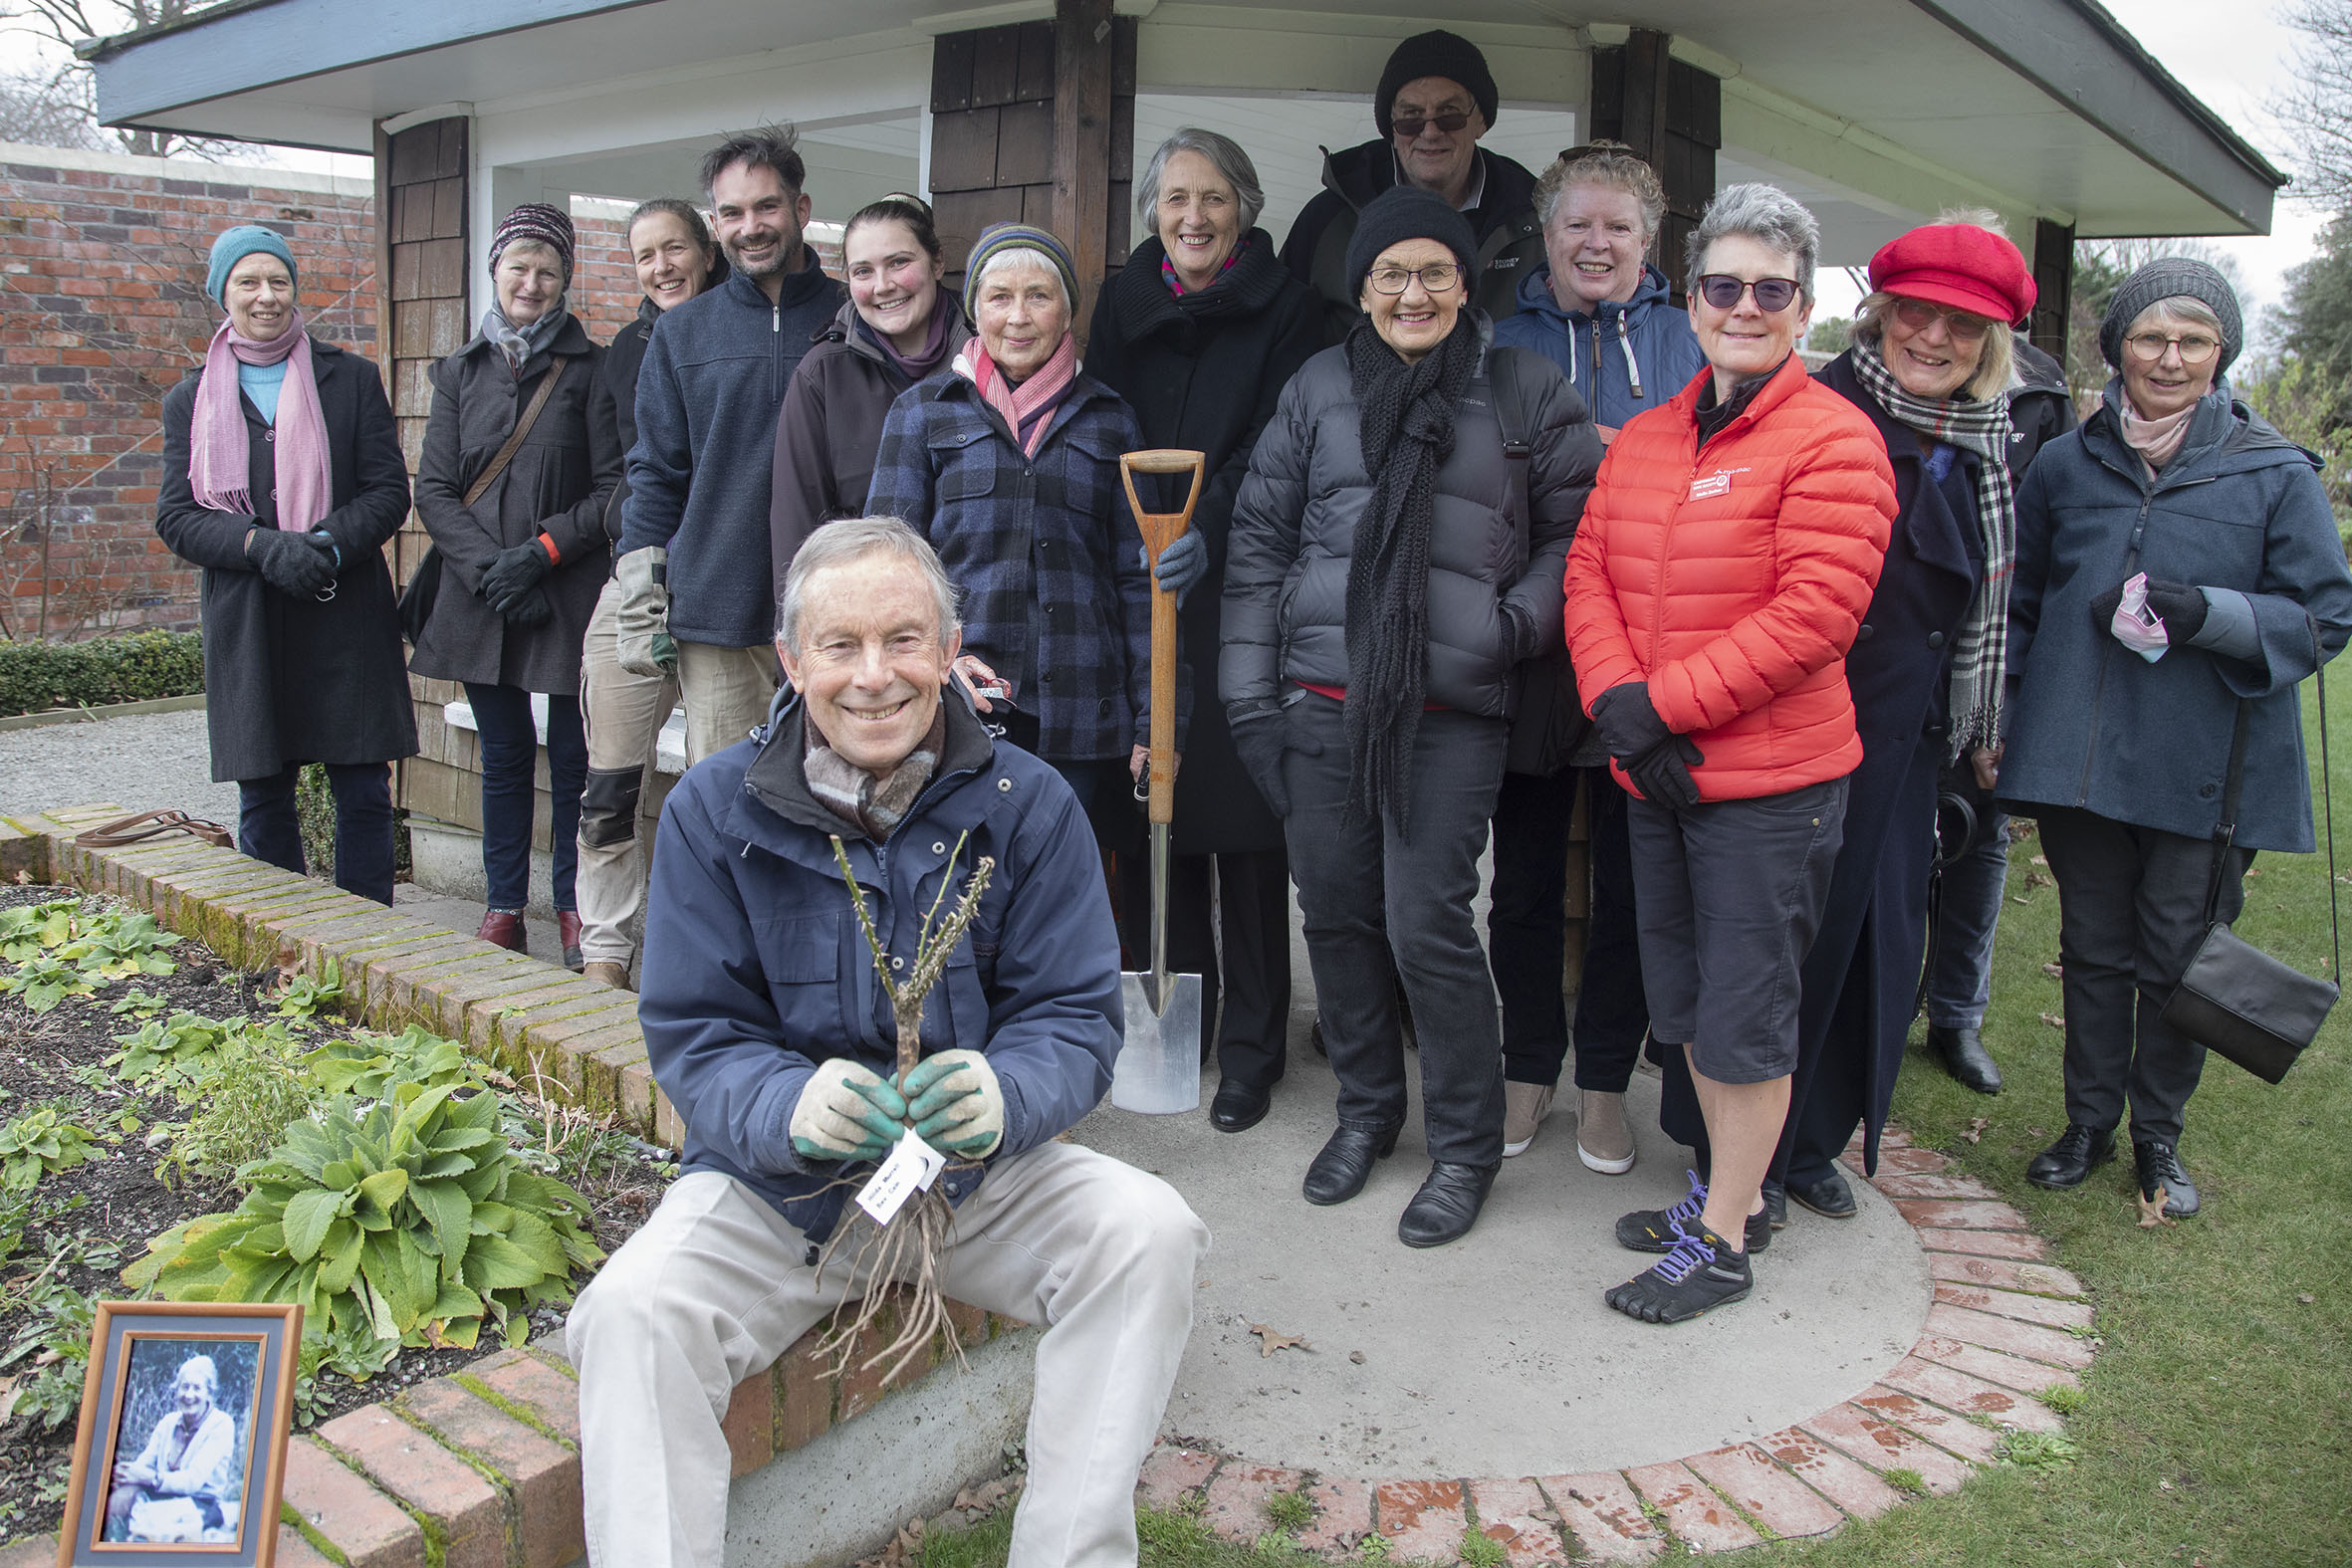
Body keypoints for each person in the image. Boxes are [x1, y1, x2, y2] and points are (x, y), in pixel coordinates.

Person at [567, 518, 1208, 1568]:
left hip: (971, 1179)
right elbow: (693, 1028)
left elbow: (1073, 1013)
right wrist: (785, 1106)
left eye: (906, 641)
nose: (875, 677)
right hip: (783, 1196)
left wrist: (1005, 1091)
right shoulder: (712, 812)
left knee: (1149, 1233)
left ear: (952, 652)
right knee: (632, 1316)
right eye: (840, 645)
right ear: (791, 661)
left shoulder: (1027, 805)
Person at [1224, 186, 1601, 1247]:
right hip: (1320, 705)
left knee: (1426, 926)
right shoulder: (1316, 389)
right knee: (1337, 919)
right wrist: (1251, 699)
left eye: (1433, 271)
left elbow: (1581, 534)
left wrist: (1507, 624)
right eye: (1390, 273)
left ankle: (1466, 1148)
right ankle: (1366, 1113)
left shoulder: (1522, 387)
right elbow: (1257, 550)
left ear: (1462, 283)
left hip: (1447, 712)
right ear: (1363, 287)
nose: (1412, 291)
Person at [1563, 183, 1894, 1322]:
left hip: (1769, 788)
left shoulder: (1834, 439)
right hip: (1659, 775)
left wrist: (1656, 711)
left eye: (1770, 289)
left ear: (1804, 309)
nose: (1743, 306)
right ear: (1690, 299)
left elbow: (1814, 617)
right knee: (1693, 1009)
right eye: (1722, 286)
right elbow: (1589, 575)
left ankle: (1723, 1245)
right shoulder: (1652, 436)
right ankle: (1730, 1195)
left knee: (1746, 1019)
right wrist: (1621, 707)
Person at [1999, 258, 2352, 1218]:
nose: (2169, 356)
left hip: (2206, 766)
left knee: (2177, 954)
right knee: (2096, 947)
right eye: (2150, 336)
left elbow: (2326, 614)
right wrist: (2002, 722)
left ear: (2220, 353)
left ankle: (2158, 1138)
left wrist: (2210, 615)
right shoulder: (2067, 465)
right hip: (2080, 760)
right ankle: (2086, 1123)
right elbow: (2019, 605)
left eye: (2193, 339)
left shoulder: (2273, 472)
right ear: (2116, 346)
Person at [1767, 222, 2057, 1224]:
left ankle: (1812, 1142)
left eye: (1961, 325)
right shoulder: (1816, 412)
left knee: (1872, 951)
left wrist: (1986, 719)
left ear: (1992, 343)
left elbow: (1998, 602)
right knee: (1789, 950)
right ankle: (1743, 1156)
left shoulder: (1986, 446)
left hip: (1913, 748)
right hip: (1810, 728)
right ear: (1880, 312)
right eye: (1915, 313)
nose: (1931, 337)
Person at [1083, 128, 1323, 1132]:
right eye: (1175, 198)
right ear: (1151, 211)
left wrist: (1206, 531)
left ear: (1246, 208)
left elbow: (1282, 441)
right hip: (1141, 598)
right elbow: (1101, 426)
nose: (1193, 217)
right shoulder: (1122, 308)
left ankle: (1255, 1051)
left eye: (1214, 198)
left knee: (1246, 833)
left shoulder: (1293, 313)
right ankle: (1190, 1016)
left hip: (1244, 597)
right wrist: (1137, 542)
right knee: (1160, 821)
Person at [1488, 141, 1707, 1166]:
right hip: (1535, 647)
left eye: (1617, 226)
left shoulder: (1686, 336)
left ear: (1648, 240)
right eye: (1577, 222)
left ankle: (1606, 1079)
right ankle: (1527, 1068)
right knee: (1526, 881)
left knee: (1632, 884)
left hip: (1651, 650)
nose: (1595, 242)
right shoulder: (1500, 338)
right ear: (1545, 233)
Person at [865, 223, 1171, 815]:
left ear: (1066, 314)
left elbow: (1140, 583)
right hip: (956, 706)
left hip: (1081, 714)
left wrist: (1157, 719)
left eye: (1039, 295)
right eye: (1000, 297)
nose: (1018, 316)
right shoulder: (923, 413)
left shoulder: (1110, 420)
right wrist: (936, 661)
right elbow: (885, 571)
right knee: (960, 889)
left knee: (1056, 892)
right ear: (976, 313)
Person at [156, 224, 414, 907]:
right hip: (249, 618)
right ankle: (284, 937)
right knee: (264, 791)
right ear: (223, 293)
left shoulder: (350, 379)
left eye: (278, 280)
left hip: (344, 608)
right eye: (248, 282)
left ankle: (370, 939)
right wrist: (260, 545)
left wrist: (323, 544)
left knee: (362, 787)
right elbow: (177, 516)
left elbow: (389, 491)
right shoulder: (191, 399)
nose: (266, 296)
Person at [409, 203, 619, 962]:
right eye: (518, 267)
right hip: (480, 594)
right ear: (496, 272)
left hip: (563, 591)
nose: (531, 282)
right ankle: (503, 905)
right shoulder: (459, 373)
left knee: (573, 759)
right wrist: (489, 569)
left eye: (547, 270)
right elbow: (433, 489)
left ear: (565, 280)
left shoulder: (591, 370)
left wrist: (541, 552)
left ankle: (571, 905)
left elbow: (612, 486)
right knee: (501, 755)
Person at [612, 125, 844, 764]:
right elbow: (656, 472)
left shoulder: (852, 319)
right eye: (733, 213)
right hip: (716, 615)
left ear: (800, 209)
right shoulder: (681, 333)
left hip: (837, 612)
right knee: (726, 805)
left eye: (767, 206)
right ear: (716, 223)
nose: (751, 226)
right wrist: (641, 594)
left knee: (839, 797)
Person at [1916, 209, 2080, 1094]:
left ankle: (1958, 1016)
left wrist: (2009, 696)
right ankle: (1892, 999)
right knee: (1901, 851)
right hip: (1902, 660)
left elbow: (2046, 558)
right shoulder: (1875, 385)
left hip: (1989, 662)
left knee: (1979, 850)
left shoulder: (2038, 399)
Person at [575, 198, 725, 991]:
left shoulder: (742, 331)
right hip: (635, 580)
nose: (662, 266)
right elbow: (614, 476)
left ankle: (690, 955)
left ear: (706, 249)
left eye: (675, 248)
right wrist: (637, 554)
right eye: (644, 255)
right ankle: (604, 951)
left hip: (723, 588)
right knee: (610, 782)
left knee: (714, 786)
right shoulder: (623, 351)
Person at [1280, 29, 1542, 343]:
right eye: (1411, 117)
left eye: (1449, 115)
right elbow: (1282, 336)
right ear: (1390, 128)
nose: (1430, 133)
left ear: (1481, 121)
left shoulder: (1536, 221)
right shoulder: (1326, 220)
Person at [769, 192, 971, 596]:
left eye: (899, 262)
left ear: (937, 262)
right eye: (863, 271)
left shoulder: (987, 365)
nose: (883, 286)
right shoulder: (823, 375)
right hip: (867, 621)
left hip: (981, 628)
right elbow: (796, 532)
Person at [106, 1355, 235, 1539]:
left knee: (151, 1527)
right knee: (117, 1499)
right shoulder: (168, 1422)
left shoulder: (222, 1424)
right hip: (160, 1494)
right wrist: (126, 1472)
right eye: (184, 1387)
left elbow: (192, 1482)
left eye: (197, 1388)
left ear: (209, 1392)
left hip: (200, 1502)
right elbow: (145, 1463)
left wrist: (151, 1478)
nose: (189, 1395)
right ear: (176, 1390)